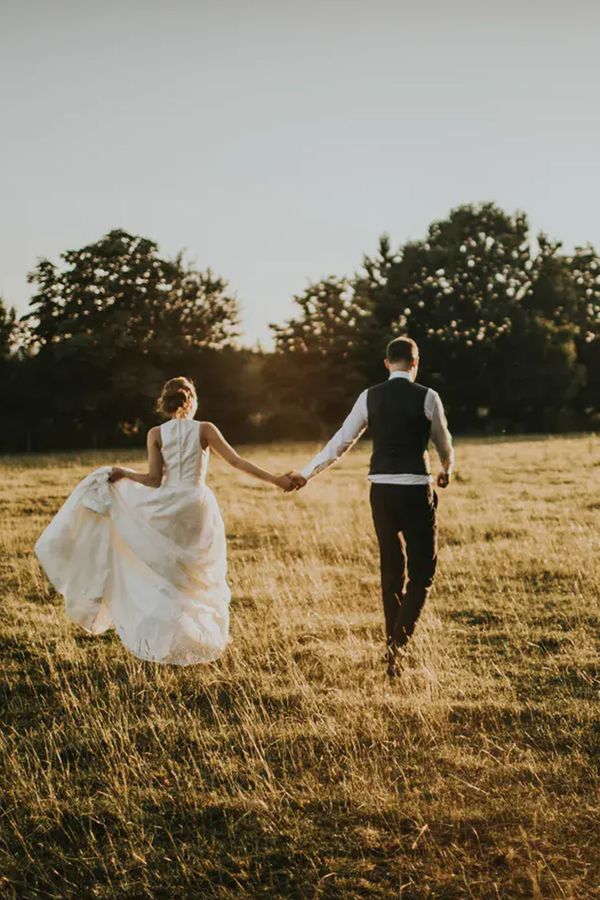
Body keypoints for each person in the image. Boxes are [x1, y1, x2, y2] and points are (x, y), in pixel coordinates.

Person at [35, 376, 294, 665]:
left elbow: (154, 480)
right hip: (196, 504)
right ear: (192, 400)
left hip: (167, 505)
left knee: (169, 573)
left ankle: (173, 637)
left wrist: (123, 472)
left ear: (164, 403)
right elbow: (236, 462)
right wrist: (277, 480)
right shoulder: (205, 429)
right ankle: (198, 635)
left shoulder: (156, 433)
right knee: (198, 573)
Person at [286, 337, 454, 678]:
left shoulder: (370, 396)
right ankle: (397, 647)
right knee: (422, 572)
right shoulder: (428, 396)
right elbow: (443, 440)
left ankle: (393, 650)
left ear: (386, 362)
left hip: (381, 493)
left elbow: (340, 442)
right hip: (415, 491)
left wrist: (306, 474)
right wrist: (446, 469)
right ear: (415, 362)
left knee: (392, 570)